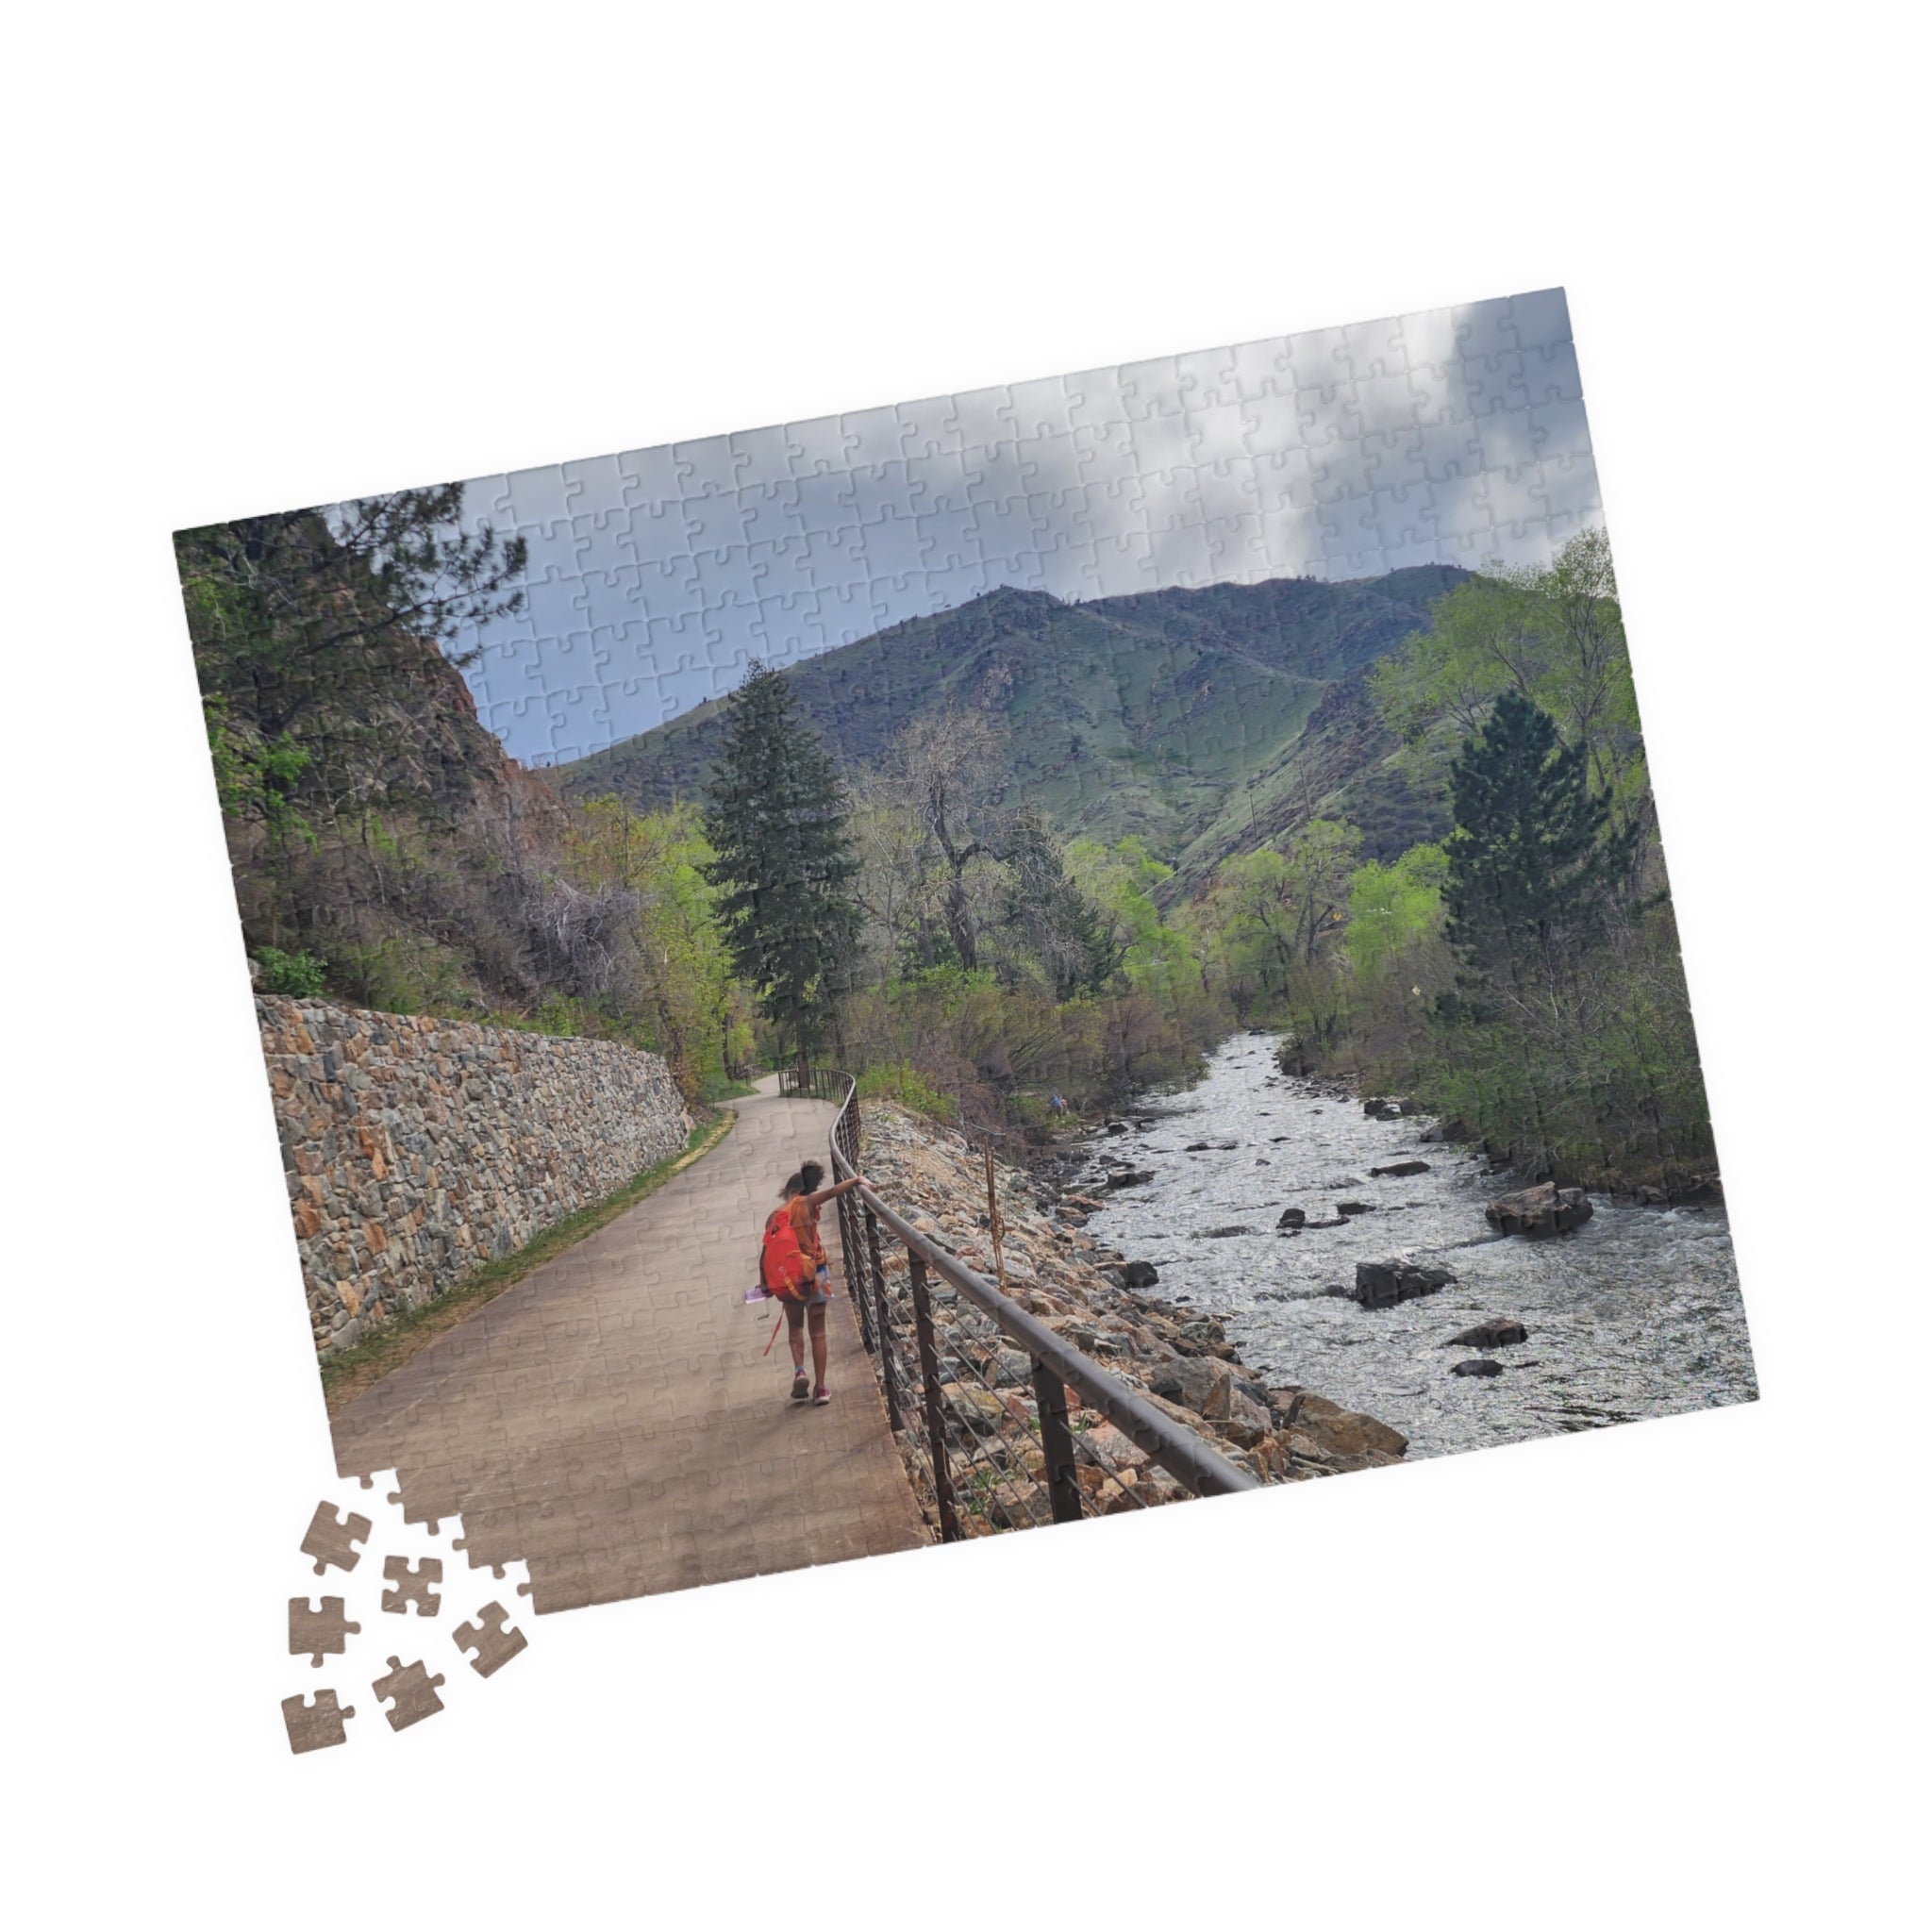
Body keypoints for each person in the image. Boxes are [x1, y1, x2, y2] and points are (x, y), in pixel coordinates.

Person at [773, 1161, 868, 1406]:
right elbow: (835, 1191)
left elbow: (768, 1255)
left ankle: (799, 1371)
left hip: (788, 1280)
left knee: (795, 1329)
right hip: (816, 1273)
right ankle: (821, 1388)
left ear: (787, 1191)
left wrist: (766, 1285)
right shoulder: (808, 1202)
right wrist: (857, 1180)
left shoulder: (776, 1216)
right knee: (818, 1334)